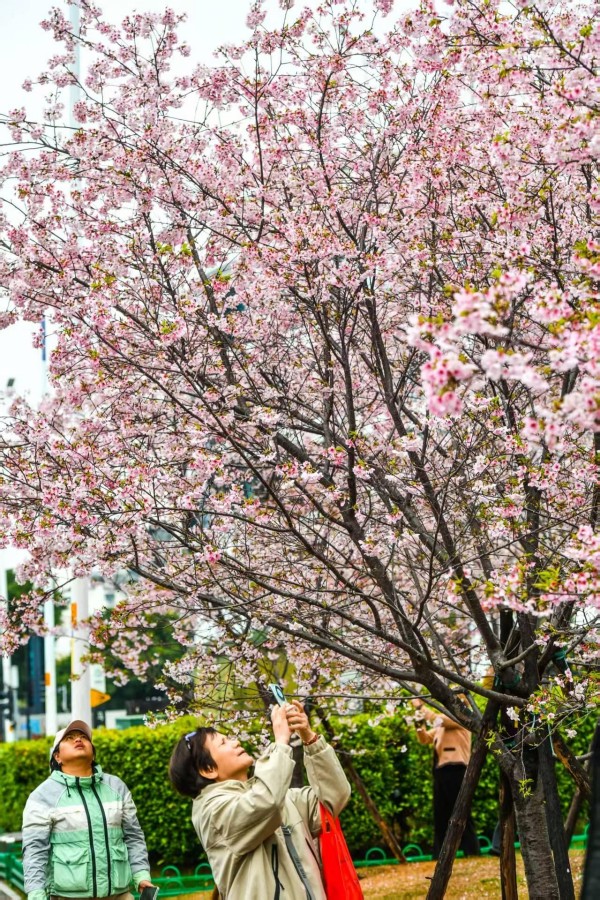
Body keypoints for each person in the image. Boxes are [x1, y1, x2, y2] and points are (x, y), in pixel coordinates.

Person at [168, 700, 351, 899]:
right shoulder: (213, 812)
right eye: (223, 743)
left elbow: (334, 798)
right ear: (208, 769)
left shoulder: (278, 796)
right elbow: (266, 803)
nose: (236, 742)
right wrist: (280, 742)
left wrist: (310, 739)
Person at [22, 719, 153, 900]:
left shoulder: (116, 786)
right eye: (69, 738)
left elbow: (133, 836)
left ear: (93, 754)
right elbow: (35, 849)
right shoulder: (42, 796)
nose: (78, 740)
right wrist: (36, 893)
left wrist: (141, 875)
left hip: (119, 895)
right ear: (57, 756)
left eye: (83, 737)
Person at [411, 697, 480, 859]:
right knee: (441, 813)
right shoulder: (441, 726)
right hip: (441, 771)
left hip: (456, 768)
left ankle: (471, 849)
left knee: (461, 810)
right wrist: (418, 723)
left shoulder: (462, 718)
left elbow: (437, 719)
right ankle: (440, 852)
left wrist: (421, 707)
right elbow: (425, 738)